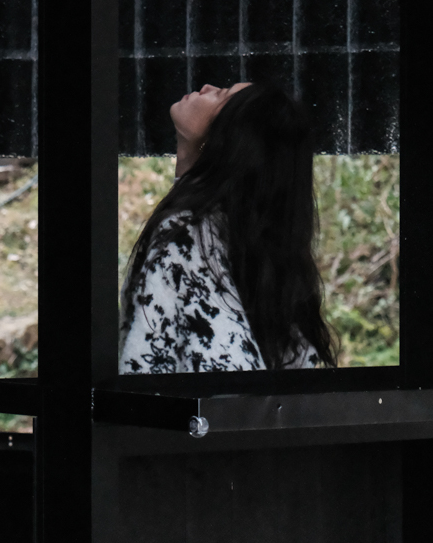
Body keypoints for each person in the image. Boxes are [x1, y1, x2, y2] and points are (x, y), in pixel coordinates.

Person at [119, 80, 337, 373]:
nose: (207, 86)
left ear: (228, 139)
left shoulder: (188, 235)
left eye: (220, 95)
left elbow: (152, 363)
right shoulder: (242, 238)